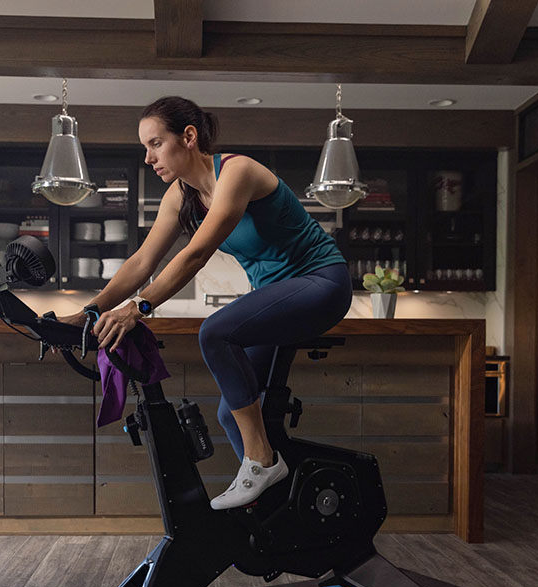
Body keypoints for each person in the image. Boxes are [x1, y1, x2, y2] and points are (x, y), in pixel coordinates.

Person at [62, 96, 351, 510]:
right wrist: (90, 311)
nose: (148, 157)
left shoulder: (238, 172)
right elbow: (142, 262)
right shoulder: (182, 196)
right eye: (146, 147)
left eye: (155, 144)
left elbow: (195, 255)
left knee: (215, 332)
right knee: (230, 413)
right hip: (275, 297)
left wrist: (139, 307)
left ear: (189, 137)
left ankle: (260, 461)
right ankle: (282, 511)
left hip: (321, 282)